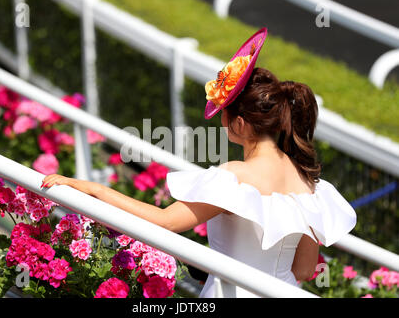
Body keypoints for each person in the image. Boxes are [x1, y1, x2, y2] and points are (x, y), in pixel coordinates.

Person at [41, 28, 356, 297]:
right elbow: (302, 269)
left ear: (241, 124)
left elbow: (164, 222)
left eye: (224, 112)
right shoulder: (309, 184)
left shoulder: (235, 177)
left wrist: (93, 189)